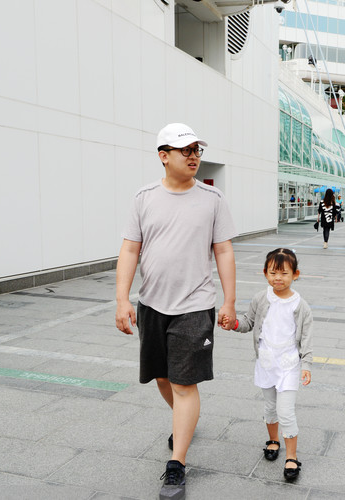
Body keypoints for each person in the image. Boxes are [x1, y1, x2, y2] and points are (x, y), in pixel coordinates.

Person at [115, 123, 237, 488]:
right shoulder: (144, 197)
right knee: (163, 376)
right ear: (163, 156)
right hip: (152, 303)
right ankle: (186, 420)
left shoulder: (212, 200)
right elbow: (130, 249)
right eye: (185, 150)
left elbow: (224, 250)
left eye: (197, 150)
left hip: (195, 305)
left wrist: (229, 300)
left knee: (185, 384)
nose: (194, 156)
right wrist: (122, 299)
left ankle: (177, 462)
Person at [224, 248, 313, 482]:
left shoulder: (300, 305)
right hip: (266, 362)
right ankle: (273, 441)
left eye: (284, 273)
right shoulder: (260, 298)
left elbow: (306, 338)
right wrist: (233, 323)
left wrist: (307, 365)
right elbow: (248, 322)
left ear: (296, 274)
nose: (278, 278)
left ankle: (291, 456)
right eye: (273, 272)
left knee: (286, 411)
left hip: (289, 365)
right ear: (265, 273)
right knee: (270, 407)